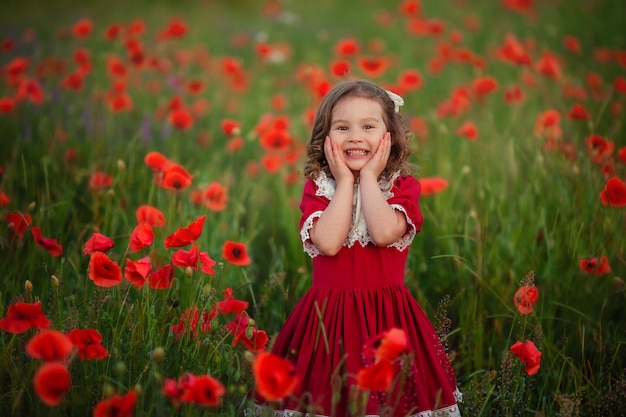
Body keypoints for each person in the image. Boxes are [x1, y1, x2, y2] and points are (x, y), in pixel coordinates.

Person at [251, 79, 462, 416]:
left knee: (390, 399)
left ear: (388, 136)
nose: (355, 136)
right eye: (342, 127)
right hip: (327, 321)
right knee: (327, 398)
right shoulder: (320, 188)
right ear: (326, 137)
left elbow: (382, 233)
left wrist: (367, 178)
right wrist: (346, 181)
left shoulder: (402, 188)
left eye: (368, 126)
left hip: (388, 320)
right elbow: (329, 242)